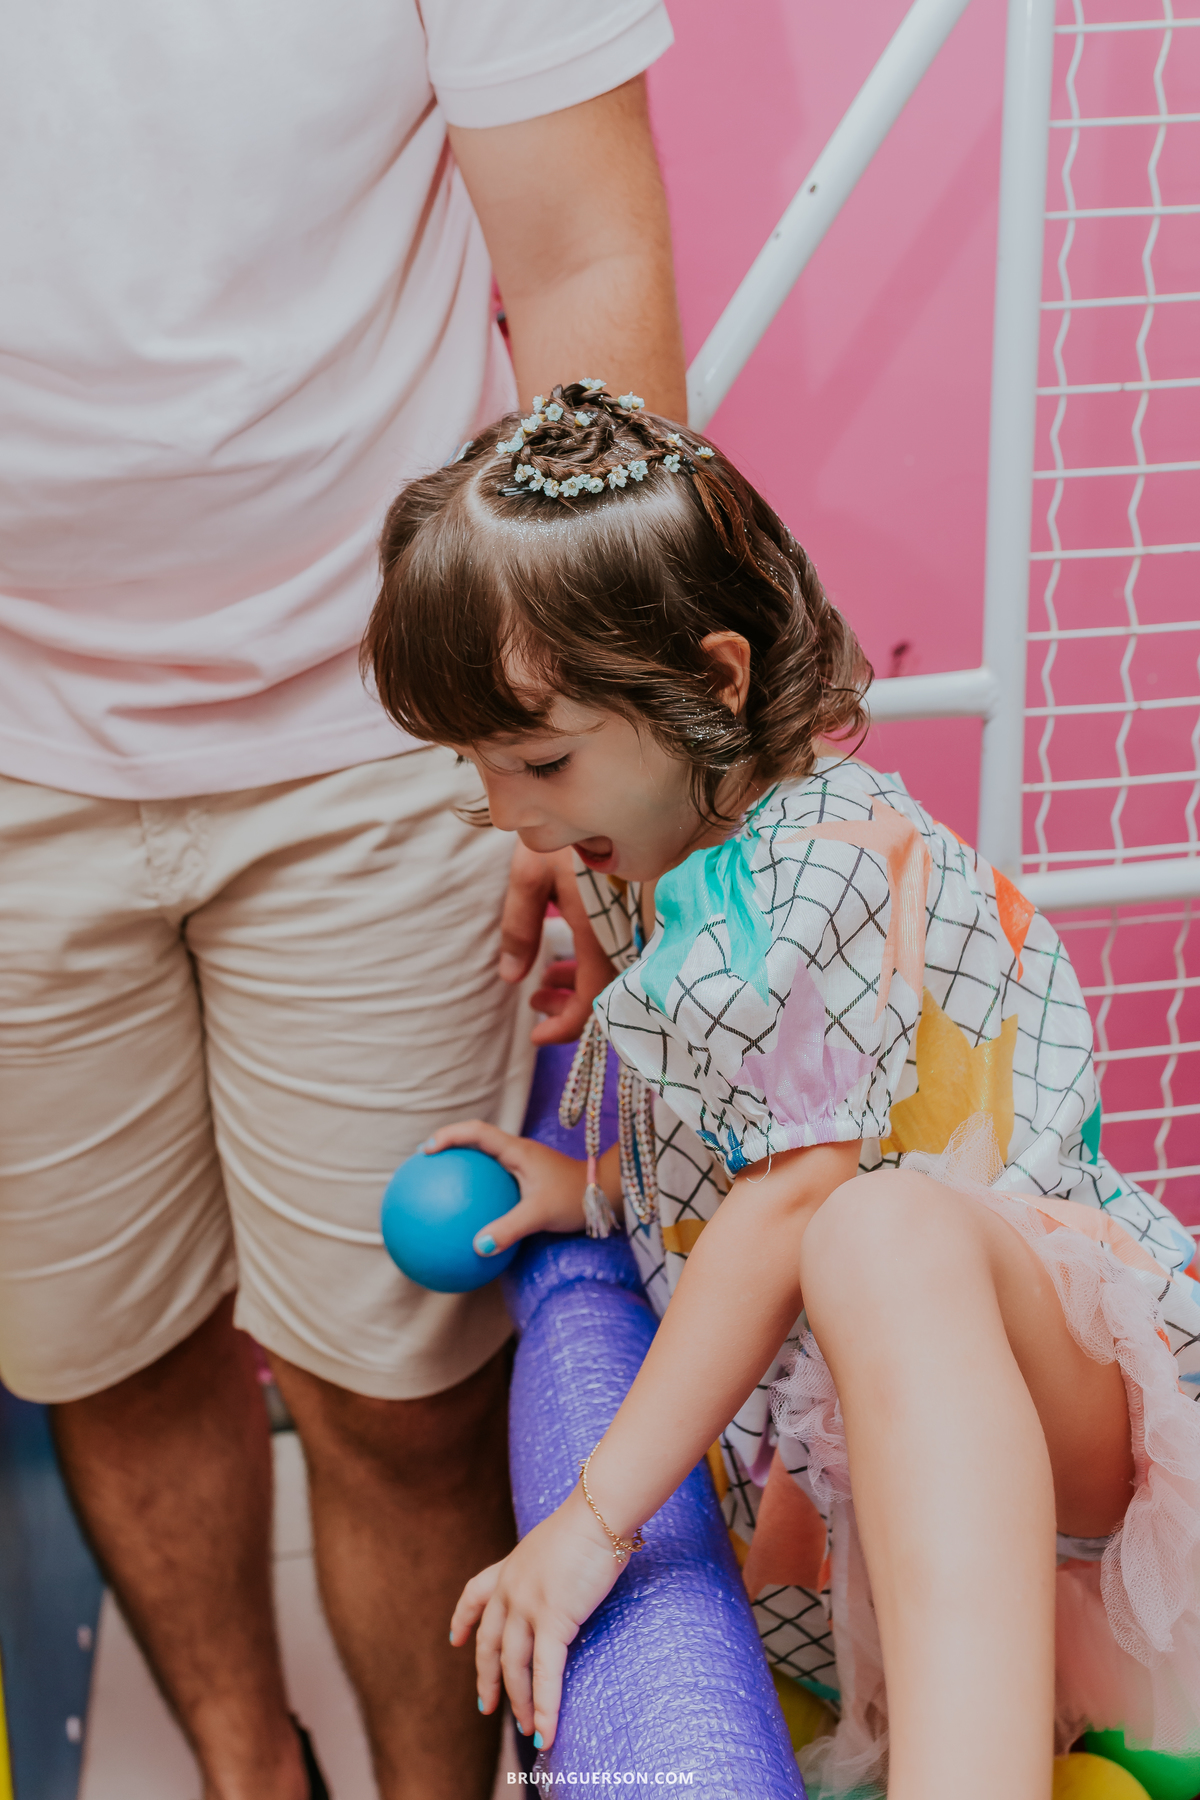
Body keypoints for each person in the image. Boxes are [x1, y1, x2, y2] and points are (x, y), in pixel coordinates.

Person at [0, 12, 686, 1797]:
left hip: (383, 718)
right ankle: (251, 1776)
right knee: (106, 1345)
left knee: (399, 1382)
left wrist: (563, 729)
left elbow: (587, 251)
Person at [361, 381, 1200, 1800]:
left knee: (870, 1228)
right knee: (855, 1230)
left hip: (1063, 1388)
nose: (510, 814)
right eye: (480, 769)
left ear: (721, 679)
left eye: (542, 760)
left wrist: (594, 1521)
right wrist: (604, 1185)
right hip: (908, 1419)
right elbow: (766, 1130)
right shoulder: (674, 846)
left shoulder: (812, 862)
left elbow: (801, 1182)